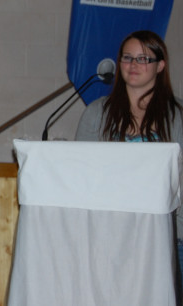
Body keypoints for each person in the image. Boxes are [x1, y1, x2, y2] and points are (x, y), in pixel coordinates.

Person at [75, 30, 183, 297]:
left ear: (160, 66)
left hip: (168, 235)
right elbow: (82, 172)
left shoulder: (178, 115)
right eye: (127, 57)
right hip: (110, 237)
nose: (133, 65)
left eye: (143, 58)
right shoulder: (97, 113)